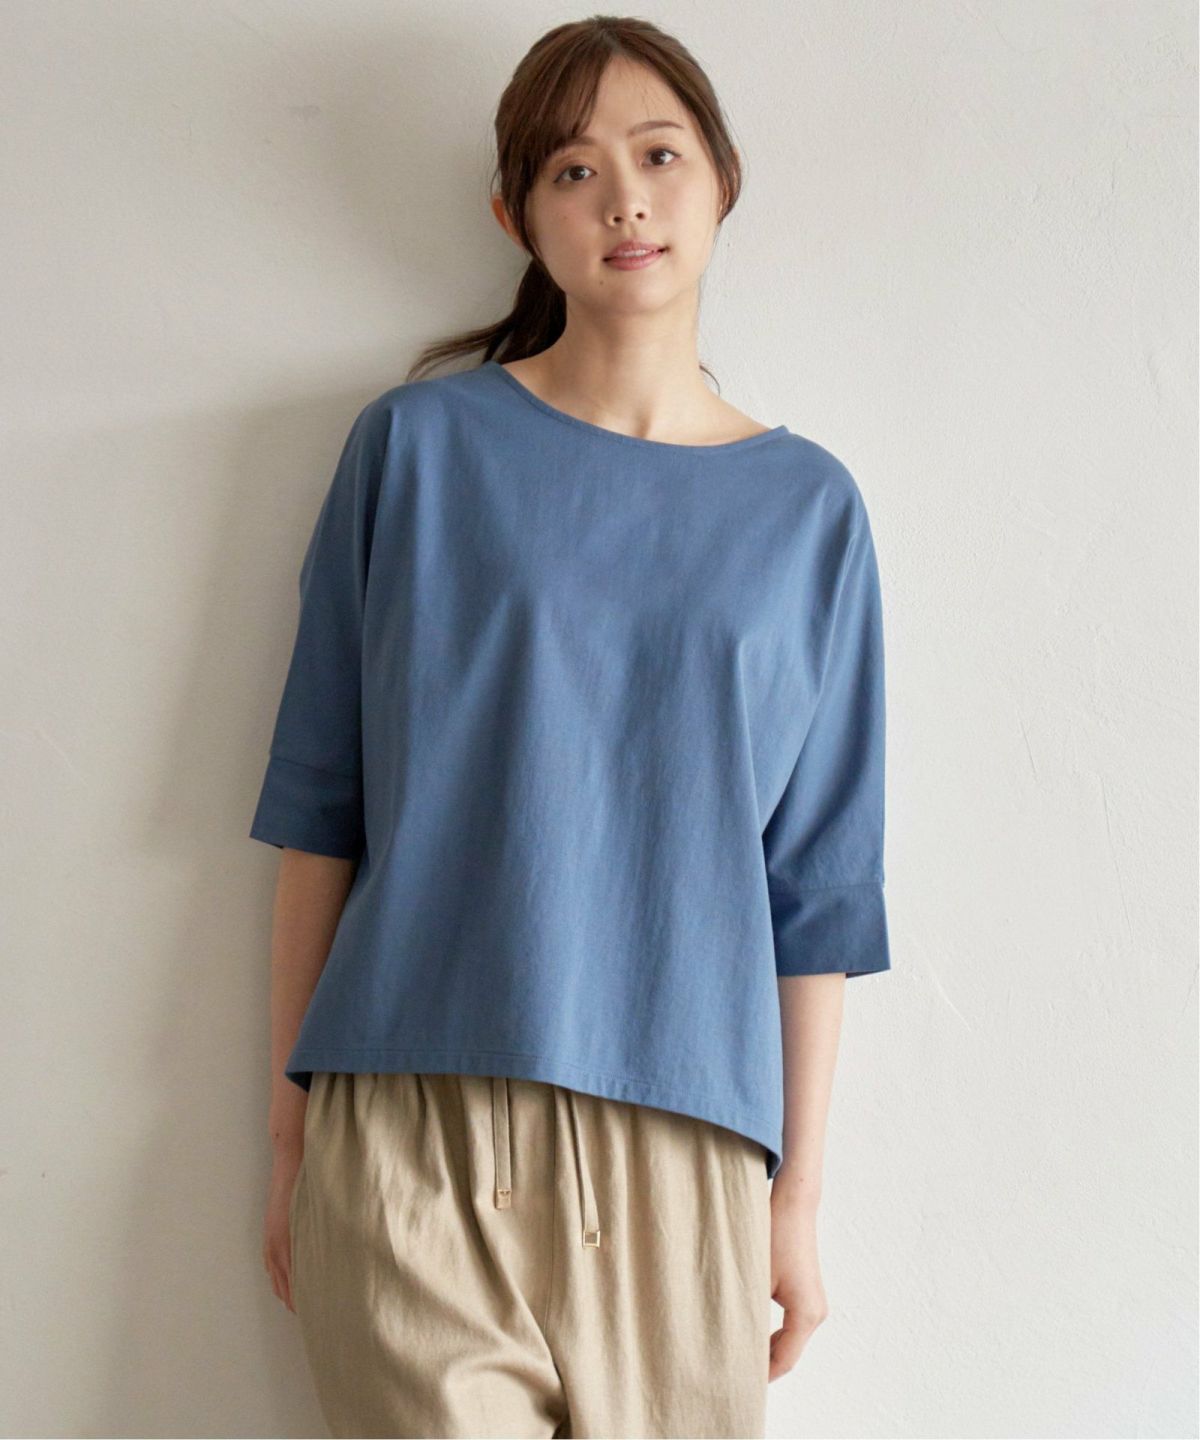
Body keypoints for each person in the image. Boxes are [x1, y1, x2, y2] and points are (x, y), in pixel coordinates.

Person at [252, 16, 891, 1439]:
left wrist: (795, 1203)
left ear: (722, 180)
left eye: (660, 156)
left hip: (688, 1160)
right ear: (515, 215)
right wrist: (290, 1136)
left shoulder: (811, 514)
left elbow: (820, 892)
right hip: (411, 1125)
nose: (624, 201)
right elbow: (317, 808)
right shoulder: (417, 450)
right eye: (573, 169)